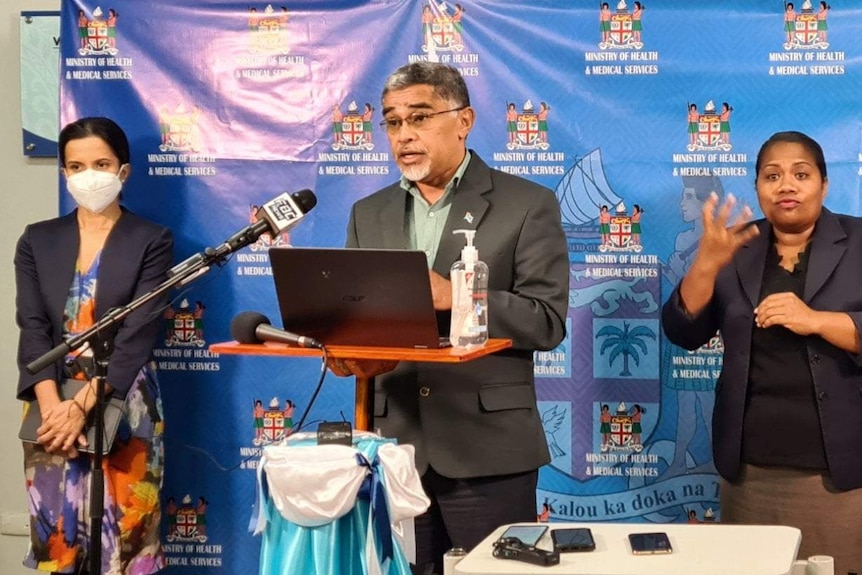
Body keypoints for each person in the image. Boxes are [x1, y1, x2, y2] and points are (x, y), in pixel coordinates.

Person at [343, 62, 569, 574]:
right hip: (395, 450)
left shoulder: (526, 204)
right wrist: (344, 350)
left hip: (487, 448)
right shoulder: (368, 212)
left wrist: (459, 296)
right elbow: (362, 327)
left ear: (463, 120)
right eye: (393, 122)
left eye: (419, 117)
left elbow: (546, 321)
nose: (405, 135)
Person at [662, 131, 862, 573]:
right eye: (772, 176)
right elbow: (683, 331)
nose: (786, 185)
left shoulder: (859, 242)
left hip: (843, 476)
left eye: (801, 174)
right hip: (752, 474)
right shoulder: (735, 247)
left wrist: (816, 320)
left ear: (825, 185)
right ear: (757, 188)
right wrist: (705, 265)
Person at [15, 116, 174, 574]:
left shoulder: (151, 240)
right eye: (76, 165)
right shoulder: (37, 239)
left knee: (127, 535)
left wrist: (81, 407)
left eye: (101, 163)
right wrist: (53, 410)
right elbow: (32, 328)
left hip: (123, 398)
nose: (88, 175)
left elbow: (137, 335)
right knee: (57, 540)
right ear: (64, 172)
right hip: (51, 401)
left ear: (123, 171)